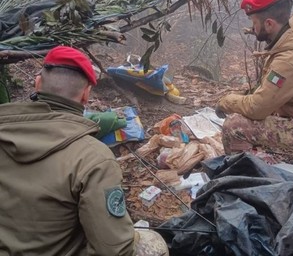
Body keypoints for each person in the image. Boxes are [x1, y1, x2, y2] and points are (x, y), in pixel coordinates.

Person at [0, 46, 168, 255]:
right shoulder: (93, 158)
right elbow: (114, 250)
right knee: (152, 243)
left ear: (37, 83)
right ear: (85, 95)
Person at [215, 0, 293, 161]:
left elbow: (257, 108)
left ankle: (242, 178)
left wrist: (226, 101)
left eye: (254, 22)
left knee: (236, 126)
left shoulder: (290, 58)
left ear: (269, 24)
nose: (253, 28)